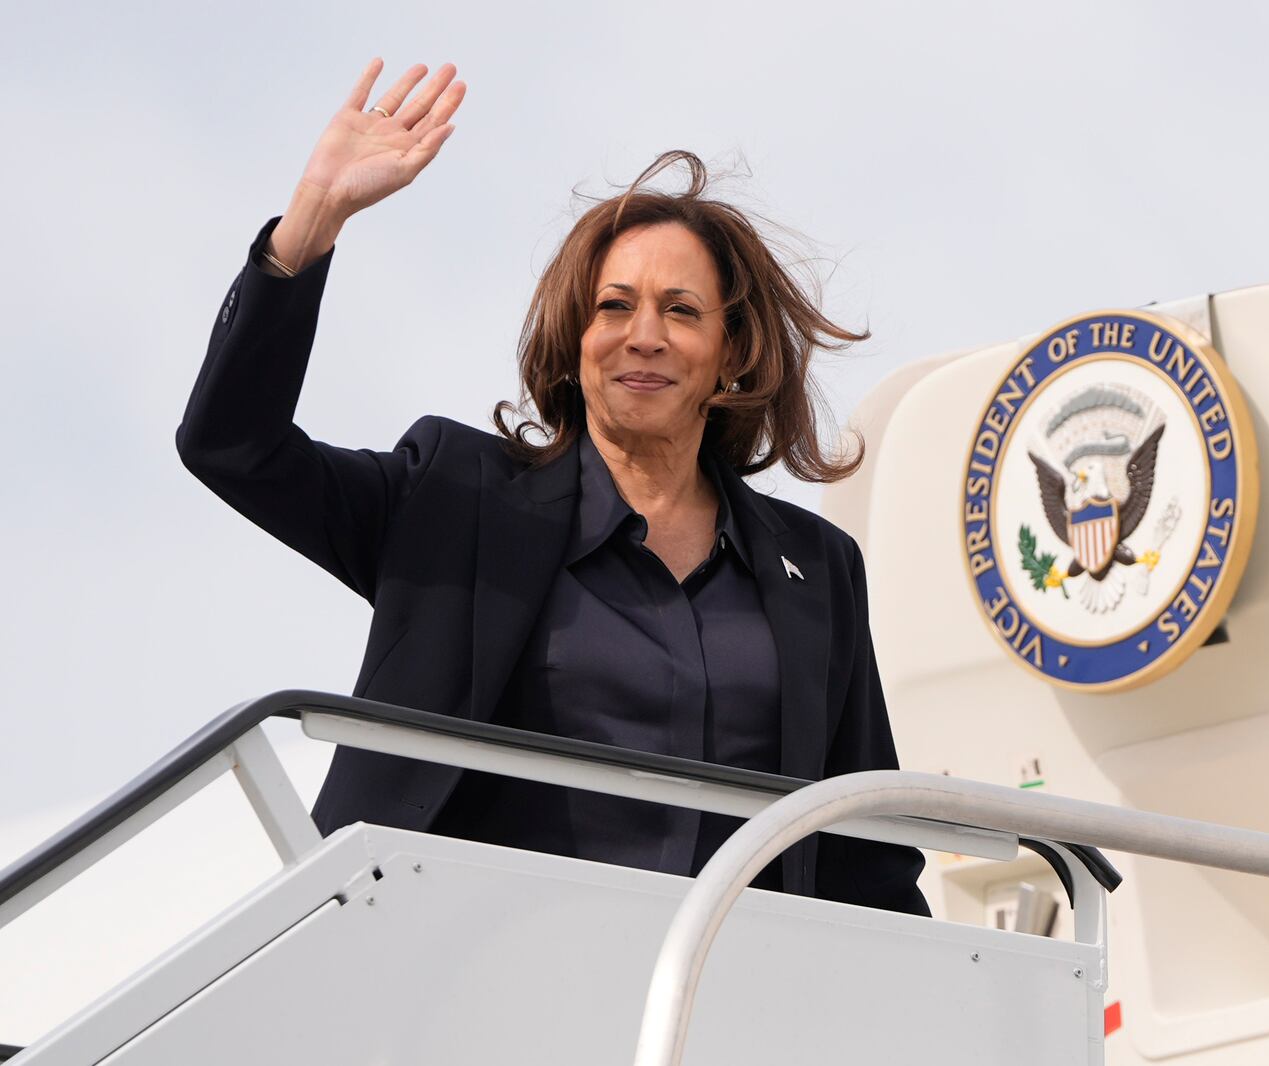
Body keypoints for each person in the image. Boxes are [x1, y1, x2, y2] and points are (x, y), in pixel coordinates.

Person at [176, 58, 928, 915]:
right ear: (576, 341)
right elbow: (232, 446)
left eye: (681, 311)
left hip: (716, 1013)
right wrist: (311, 222)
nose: (642, 335)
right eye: (614, 307)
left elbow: (868, 855)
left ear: (734, 354)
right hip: (462, 988)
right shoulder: (453, 500)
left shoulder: (817, 567)